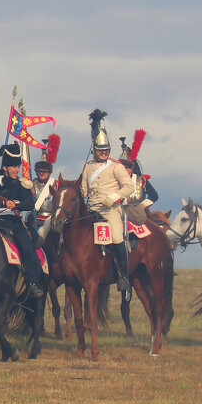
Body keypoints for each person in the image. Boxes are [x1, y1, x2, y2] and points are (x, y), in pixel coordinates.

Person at [0, 143, 46, 298]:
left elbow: (29, 203)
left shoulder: (22, 184)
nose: (17, 170)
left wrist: (16, 204)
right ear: (5, 167)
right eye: (13, 167)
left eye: (18, 167)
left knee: (27, 248)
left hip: (14, 222)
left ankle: (32, 283)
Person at [79, 111, 135, 293]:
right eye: (100, 150)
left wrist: (114, 197)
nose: (103, 153)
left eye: (106, 150)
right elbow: (84, 190)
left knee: (118, 237)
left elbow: (129, 187)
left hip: (110, 209)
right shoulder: (88, 167)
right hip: (91, 208)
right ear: (95, 150)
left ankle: (123, 276)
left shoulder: (116, 166)